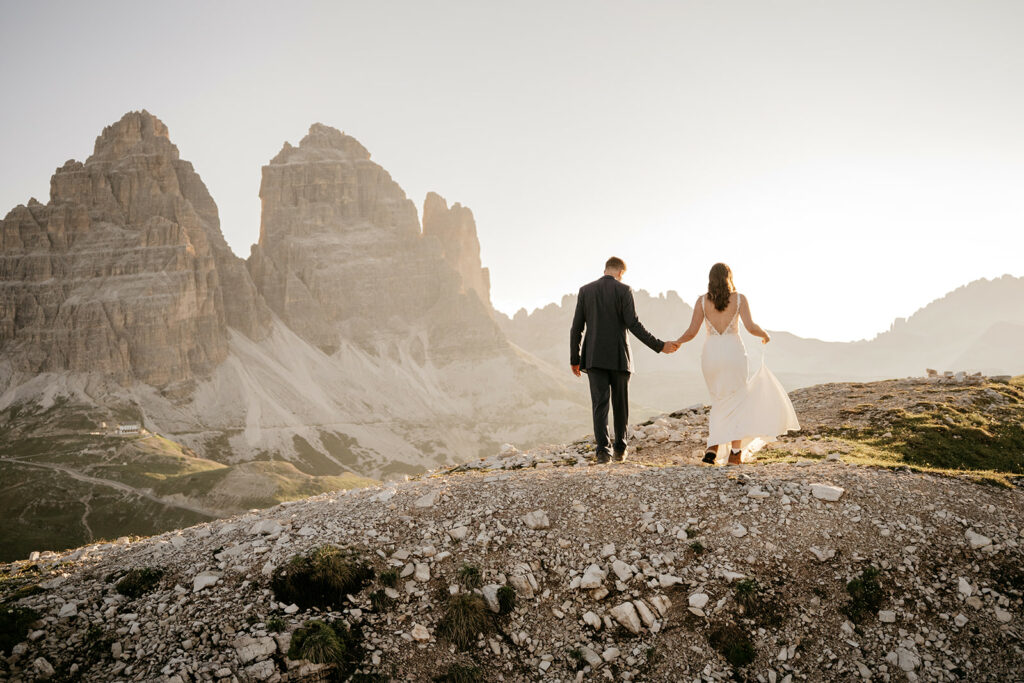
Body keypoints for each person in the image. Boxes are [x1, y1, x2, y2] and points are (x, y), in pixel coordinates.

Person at [674, 263, 799, 465]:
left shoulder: (702, 301)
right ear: (729, 278)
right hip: (733, 352)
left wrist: (677, 342)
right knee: (737, 400)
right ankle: (734, 453)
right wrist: (765, 335)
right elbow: (751, 327)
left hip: (711, 354)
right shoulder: (739, 299)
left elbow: (691, 332)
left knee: (718, 400)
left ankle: (712, 448)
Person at [570, 257, 679, 463]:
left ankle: (603, 451)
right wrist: (659, 345)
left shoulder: (585, 291)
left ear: (605, 270)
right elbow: (634, 324)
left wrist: (575, 359)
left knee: (599, 405)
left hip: (593, 357)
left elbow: (576, 328)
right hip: (620, 357)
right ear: (621, 272)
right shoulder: (624, 290)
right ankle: (620, 449)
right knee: (620, 404)